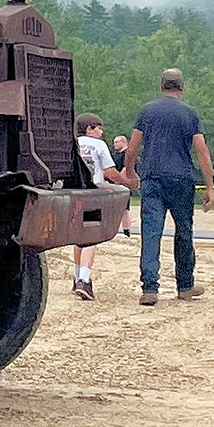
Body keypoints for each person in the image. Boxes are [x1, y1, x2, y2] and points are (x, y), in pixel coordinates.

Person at [131, 68, 214, 306]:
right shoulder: (190, 114)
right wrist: (209, 186)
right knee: (184, 231)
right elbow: (202, 151)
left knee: (151, 233)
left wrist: (129, 172)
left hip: (153, 178)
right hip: (181, 179)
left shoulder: (147, 111)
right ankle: (185, 286)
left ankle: (150, 289)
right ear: (181, 88)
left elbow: (133, 146)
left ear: (161, 86)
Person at [70, 114, 136, 299]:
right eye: (98, 128)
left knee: (78, 238)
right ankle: (84, 280)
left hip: (74, 194)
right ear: (89, 129)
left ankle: (76, 277)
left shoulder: (72, 143)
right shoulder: (98, 145)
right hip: (93, 194)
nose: (101, 131)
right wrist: (126, 181)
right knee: (91, 237)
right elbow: (109, 171)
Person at [110, 133, 134, 236]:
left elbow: (126, 169)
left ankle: (126, 230)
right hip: (115, 183)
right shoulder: (117, 155)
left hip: (123, 184)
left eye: (116, 142)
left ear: (123, 142)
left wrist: (118, 180)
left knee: (125, 208)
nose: (114, 144)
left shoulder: (127, 154)